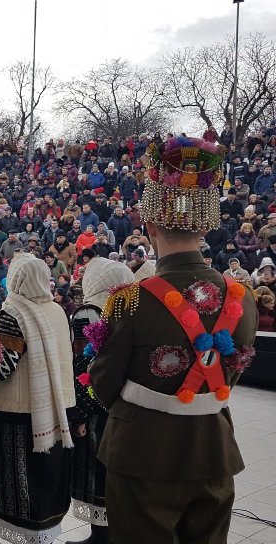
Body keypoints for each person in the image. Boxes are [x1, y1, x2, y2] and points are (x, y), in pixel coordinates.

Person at [90, 137, 258, 543]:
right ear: (204, 225)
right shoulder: (242, 297)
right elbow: (229, 373)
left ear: (148, 226)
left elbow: (103, 383)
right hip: (213, 451)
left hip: (141, 451)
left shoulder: (129, 299)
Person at [0, 252, 75, 544]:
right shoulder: (57, 311)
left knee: (21, 490)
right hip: (56, 410)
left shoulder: (12, 315)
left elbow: (1, 368)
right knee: (47, 481)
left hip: (17, 414)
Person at [67, 258, 134, 544]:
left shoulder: (88, 313)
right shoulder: (130, 309)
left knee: (97, 474)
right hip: (124, 406)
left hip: (96, 409)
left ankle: (101, 537)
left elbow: (83, 369)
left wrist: (79, 415)